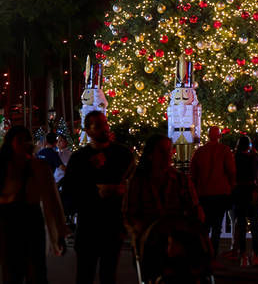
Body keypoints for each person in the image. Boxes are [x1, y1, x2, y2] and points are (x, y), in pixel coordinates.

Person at [63, 110, 136, 284]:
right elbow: (69, 191)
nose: (104, 128)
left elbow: (134, 183)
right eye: (98, 125)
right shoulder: (79, 158)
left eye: (105, 124)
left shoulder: (122, 155)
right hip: (88, 225)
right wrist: (94, 192)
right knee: (84, 274)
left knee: (108, 274)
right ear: (88, 130)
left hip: (113, 223)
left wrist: (122, 190)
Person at [0, 125, 66, 283]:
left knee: (36, 270)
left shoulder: (39, 166)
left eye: (26, 140)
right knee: (11, 271)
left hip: (31, 220)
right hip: (8, 221)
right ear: (11, 143)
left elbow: (52, 199)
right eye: (19, 140)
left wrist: (60, 231)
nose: (23, 144)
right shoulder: (3, 166)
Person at [123, 135, 202, 246]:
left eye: (168, 150)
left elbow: (195, 210)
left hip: (176, 241)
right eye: (161, 151)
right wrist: (141, 230)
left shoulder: (181, 180)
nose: (167, 155)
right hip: (148, 241)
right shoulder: (138, 181)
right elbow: (130, 213)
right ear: (150, 155)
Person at [189, 125, 236, 259]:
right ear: (219, 136)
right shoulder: (225, 150)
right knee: (216, 226)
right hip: (220, 193)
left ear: (208, 135)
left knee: (204, 226)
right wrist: (232, 187)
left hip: (203, 193)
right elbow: (231, 171)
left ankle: (203, 252)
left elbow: (193, 174)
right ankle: (213, 254)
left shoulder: (199, 152)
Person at [230, 135, 258, 266]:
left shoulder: (234, 158)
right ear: (249, 146)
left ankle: (243, 256)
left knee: (241, 224)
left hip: (238, 192)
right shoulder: (253, 158)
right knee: (254, 225)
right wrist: (256, 154)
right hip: (251, 192)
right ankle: (256, 254)